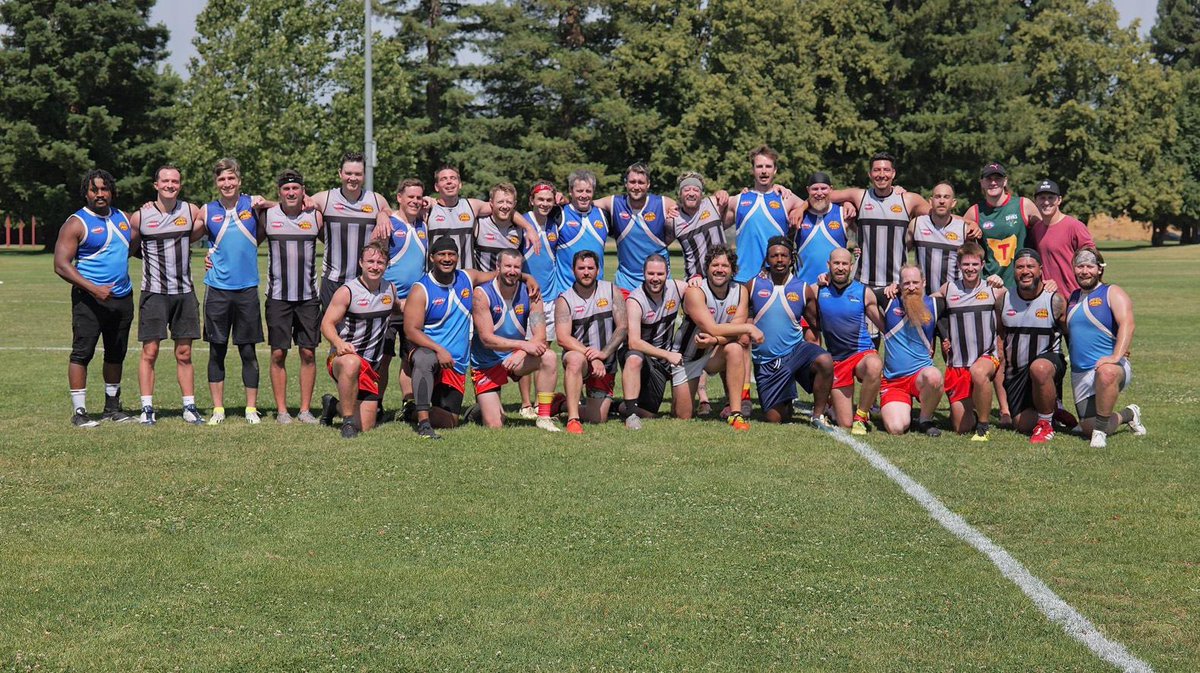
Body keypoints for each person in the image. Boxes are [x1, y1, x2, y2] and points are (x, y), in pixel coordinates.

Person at [403, 237, 538, 439]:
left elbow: (501, 273)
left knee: (449, 422)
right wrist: (439, 350)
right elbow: (411, 330)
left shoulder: (467, 277)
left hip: (455, 363)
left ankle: (420, 412)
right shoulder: (421, 289)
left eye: (451, 254)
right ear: (432, 258)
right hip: (431, 353)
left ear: (457, 257)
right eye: (441, 254)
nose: (447, 259)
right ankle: (422, 422)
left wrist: (527, 277)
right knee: (425, 358)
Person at [53, 169, 137, 426]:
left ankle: (112, 408)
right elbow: (61, 265)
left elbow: (136, 246)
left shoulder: (125, 218)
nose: (100, 194)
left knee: (116, 353)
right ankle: (80, 413)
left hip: (122, 298)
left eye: (104, 189)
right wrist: (93, 289)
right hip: (89, 300)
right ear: (86, 193)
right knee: (82, 353)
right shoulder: (76, 223)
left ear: (112, 191)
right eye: (94, 190)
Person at [128, 165, 206, 425]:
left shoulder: (191, 211)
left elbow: (217, 223)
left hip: (184, 293)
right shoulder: (140, 216)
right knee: (150, 352)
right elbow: (130, 247)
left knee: (184, 353)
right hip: (154, 293)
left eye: (175, 181)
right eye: (165, 181)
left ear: (180, 185)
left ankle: (189, 407)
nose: (170, 185)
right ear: (156, 185)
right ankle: (147, 408)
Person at [198, 158, 267, 424]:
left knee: (247, 351)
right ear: (216, 183)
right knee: (217, 350)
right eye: (222, 179)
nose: (227, 183)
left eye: (231, 178)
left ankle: (251, 409)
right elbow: (183, 233)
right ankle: (218, 409)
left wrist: (267, 202)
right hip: (217, 289)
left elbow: (284, 206)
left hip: (247, 289)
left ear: (239, 181)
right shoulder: (206, 210)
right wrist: (208, 253)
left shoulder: (253, 204)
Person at [746, 236, 834, 427]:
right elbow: (742, 316)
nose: (779, 260)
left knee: (825, 360)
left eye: (784, 256)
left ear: (791, 258)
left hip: (795, 352)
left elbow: (817, 324)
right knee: (776, 418)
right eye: (774, 256)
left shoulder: (803, 289)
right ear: (767, 259)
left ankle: (818, 415)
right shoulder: (753, 285)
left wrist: (831, 292)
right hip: (767, 361)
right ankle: (786, 397)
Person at [469, 249, 561, 432]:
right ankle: (478, 410)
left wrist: (520, 352)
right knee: (495, 425)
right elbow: (487, 339)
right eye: (508, 266)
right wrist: (522, 345)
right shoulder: (481, 294)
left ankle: (543, 417)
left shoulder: (532, 293)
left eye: (516, 267)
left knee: (549, 357)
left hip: (515, 358)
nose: (512, 271)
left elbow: (540, 336)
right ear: (498, 267)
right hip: (486, 363)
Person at [673, 244, 762, 430]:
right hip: (688, 357)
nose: (720, 269)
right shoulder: (696, 291)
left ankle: (735, 413)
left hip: (715, 354)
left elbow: (735, 331)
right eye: (715, 265)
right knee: (683, 415)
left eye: (725, 266)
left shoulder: (741, 292)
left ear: (733, 270)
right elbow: (711, 328)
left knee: (735, 348)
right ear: (707, 268)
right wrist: (749, 327)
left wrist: (715, 340)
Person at [259, 169, 323, 424]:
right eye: (286, 189)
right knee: (278, 354)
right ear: (280, 192)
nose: (291, 192)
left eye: (295, 188)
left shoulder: (315, 216)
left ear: (303, 191)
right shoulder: (268, 216)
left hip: (308, 297)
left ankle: (305, 410)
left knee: (308, 353)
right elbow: (244, 241)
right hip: (278, 298)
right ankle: (282, 411)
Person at [319, 240, 402, 438]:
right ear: (361, 263)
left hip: (371, 366)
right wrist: (339, 343)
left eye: (380, 262)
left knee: (366, 425)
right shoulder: (347, 291)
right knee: (352, 362)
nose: (375, 266)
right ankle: (347, 423)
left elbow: (400, 308)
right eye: (370, 261)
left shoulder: (390, 289)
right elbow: (326, 324)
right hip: (343, 359)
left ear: (387, 265)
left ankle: (333, 405)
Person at [1064, 248, 1145, 448]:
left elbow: (1128, 324)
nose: (1084, 271)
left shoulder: (1112, 292)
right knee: (1087, 427)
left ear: (1100, 269)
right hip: (1081, 372)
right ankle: (1129, 414)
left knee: (1106, 372)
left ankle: (1099, 434)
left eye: (1090, 266)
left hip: (1112, 367)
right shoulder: (1073, 297)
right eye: (1080, 266)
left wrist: (1116, 356)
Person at [805, 247, 883, 434]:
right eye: (836, 263)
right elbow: (797, 297)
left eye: (844, 264)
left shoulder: (863, 292)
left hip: (862, 354)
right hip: (837, 361)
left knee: (874, 365)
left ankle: (861, 416)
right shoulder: (817, 290)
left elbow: (886, 327)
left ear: (851, 266)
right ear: (828, 265)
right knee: (844, 423)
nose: (840, 267)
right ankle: (833, 404)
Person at [826, 153, 931, 289]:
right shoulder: (859, 196)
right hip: (863, 282)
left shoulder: (908, 199)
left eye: (886, 170)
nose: (881, 175)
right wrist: (846, 202)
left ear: (893, 173)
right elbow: (823, 195)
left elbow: (941, 214)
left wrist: (963, 221)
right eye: (876, 170)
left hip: (896, 285)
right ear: (870, 174)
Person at [936, 242, 1005, 439]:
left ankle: (983, 427)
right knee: (961, 427)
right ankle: (973, 409)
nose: (970, 268)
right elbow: (927, 305)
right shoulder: (948, 289)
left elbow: (1020, 298)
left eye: (975, 264)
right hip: (958, 363)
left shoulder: (993, 289)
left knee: (979, 372)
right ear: (959, 265)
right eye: (966, 264)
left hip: (986, 356)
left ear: (982, 265)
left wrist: (1001, 282)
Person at [998, 248, 1068, 443]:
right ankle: (1053, 411)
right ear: (1014, 270)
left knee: (1039, 368)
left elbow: (1071, 333)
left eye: (1030, 266)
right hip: (1017, 373)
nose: (1025, 271)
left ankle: (1045, 424)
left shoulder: (1054, 300)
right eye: (1020, 267)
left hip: (1047, 365)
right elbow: (1000, 336)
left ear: (1040, 270)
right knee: (1023, 424)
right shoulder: (1004, 300)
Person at [310, 151, 392, 312]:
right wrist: (266, 204)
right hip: (333, 281)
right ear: (340, 173)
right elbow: (294, 205)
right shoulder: (325, 199)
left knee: (362, 326)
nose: (353, 178)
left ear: (364, 175)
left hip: (365, 281)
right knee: (331, 326)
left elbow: (393, 213)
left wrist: (383, 214)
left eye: (358, 174)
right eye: (348, 173)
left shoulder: (376, 200)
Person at [556, 250, 627, 434]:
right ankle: (573, 419)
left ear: (598, 270)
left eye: (590, 268)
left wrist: (603, 354)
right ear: (573, 270)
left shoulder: (612, 290)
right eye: (581, 268)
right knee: (574, 360)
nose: (586, 272)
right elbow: (563, 338)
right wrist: (592, 356)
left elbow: (622, 327)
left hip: (605, 363)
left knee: (598, 418)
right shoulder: (565, 299)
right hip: (581, 359)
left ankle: (562, 404)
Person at [377, 178, 429, 420]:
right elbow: (376, 263)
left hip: (415, 305)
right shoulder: (388, 223)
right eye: (410, 197)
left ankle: (409, 402)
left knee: (411, 357)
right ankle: (375, 402)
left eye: (419, 197)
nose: (415, 201)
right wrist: (390, 299)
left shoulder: (423, 223)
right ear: (399, 197)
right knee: (383, 357)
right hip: (389, 304)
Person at [621, 255, 690, 426]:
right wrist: (667, 355)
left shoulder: (677, 288)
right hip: (643, 356)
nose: (655, 278)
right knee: (634, 357)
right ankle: (631, 415)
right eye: (650, 273)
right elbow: (634, 342)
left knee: (650, 414)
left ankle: (614, 407)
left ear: (668, 273)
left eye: (660, 274)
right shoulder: (635, 300)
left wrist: (695, 281)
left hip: (664, 361)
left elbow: (699, 291)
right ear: (643, 273)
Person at [722, 146, 806, 284]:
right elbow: (712, 224)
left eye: (768, 166)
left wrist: (802, 208)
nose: (764, 171)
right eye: (759, 166)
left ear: (775, 170)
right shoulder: (738, 200)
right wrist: (719, 193)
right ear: (752, 170)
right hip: (743, 278)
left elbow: (816, 204)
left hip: (776, 279)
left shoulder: (786, 198)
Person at [427, 165, 538, 270]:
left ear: (460, 184)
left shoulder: (472, 206)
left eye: (453, 178)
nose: (449, 182)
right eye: (443, 179)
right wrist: (424, 200)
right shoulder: (427, 209)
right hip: (436, 276)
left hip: (466, 276)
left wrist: (529, 228)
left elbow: (503, 208)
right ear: (436, 187)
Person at [878, 265, 945, 436]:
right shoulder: (889, 300)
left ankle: (925, 419)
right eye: (906, 283)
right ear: (899, 285)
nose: (912, 287)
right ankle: (903, 406)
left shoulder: (935, 304)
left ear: (924, 282)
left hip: (920, 376)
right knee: (896, 428)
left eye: (916, 282)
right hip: (894, 381)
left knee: (934, 376)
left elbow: (957, 293)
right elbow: (863, 293)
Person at [518, 180, 566, 420]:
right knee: (526, 348)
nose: (544, 204)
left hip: (550, 296)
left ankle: (541, 403)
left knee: (545, 350)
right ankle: (525, 403)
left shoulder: (555, 221)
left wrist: (563, 199)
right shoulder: (522, 222)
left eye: (549, 200)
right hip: (526, 297)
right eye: (540, 199)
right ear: (532, 200)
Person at [592, 163, 677, 294]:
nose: (636, 187)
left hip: (659, 281)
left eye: (641, 182)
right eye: (632, 182)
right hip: (626, 283)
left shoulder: (664, 203)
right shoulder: (614, 203)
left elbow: (688, 213)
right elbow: (584, 203)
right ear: (626, 183)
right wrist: (562, 199)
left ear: (648, 184)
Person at [963, 162, 1040, 288]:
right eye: (989, 179)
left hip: (1022, 285)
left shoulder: (1023, 205)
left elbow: (1046, 234)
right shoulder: (975, 211)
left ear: (1005, 181)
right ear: (982, 183)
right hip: (990, 284)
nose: (993, 183)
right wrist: (970, 223)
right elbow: (953, 225)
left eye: (997, 178)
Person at [1028, 179, 1096, 298]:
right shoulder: (1036, 229)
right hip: (1047, 297)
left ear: (1059, 200)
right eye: (1042, 198)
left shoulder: (1074, 226)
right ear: (1036, 201)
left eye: (1051, 198)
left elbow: (1092, 260)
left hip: (1074, 297)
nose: (1046, 202)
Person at [792, 172, 853, 286]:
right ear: (808, 190)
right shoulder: (798, 215)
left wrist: (847, 202)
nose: (819, 193)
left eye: (823, 188)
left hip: (834, 288)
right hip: (803, 286)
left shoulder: (843, 214)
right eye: (815, 189)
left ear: (831, 189)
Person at [552, 169, 610, 290]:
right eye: (579, 191)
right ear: (570, 191)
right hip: (566, 291)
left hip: (597, 292)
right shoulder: (559, 213)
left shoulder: (604, 215)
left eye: (588, 191)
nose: (584, 195)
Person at [910, 182, 971, 292]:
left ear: (953, 203)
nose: (942, 201)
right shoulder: (917, 224)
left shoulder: (963, 229)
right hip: (923, 296)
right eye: (938, 197)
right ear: (930, 201)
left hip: (953, 296)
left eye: (946, 197)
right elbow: (901, 254)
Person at [670, 172, 730, 281]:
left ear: (702, 194)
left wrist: (727, 193)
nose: (691, 193)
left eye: (696, 190)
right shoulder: (673, 219)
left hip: (723, 277)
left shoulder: (713, 204)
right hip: (695, 281)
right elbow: (658, 245)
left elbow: (740, 203)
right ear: (680, 194)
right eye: (687, 190)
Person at [473, 183, 524, 272]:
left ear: (514, 204)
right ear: (491, 202)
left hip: (509, 280)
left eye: (509, 202)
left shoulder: (520, 229)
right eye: (500, 202)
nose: (505, 206)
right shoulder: (479, 224)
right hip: (482, 280)